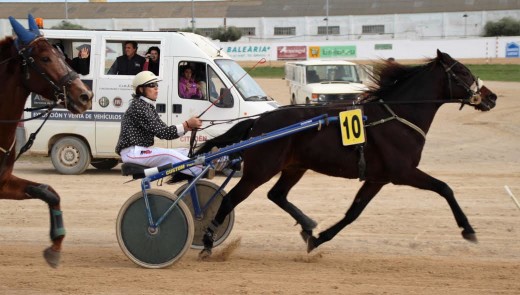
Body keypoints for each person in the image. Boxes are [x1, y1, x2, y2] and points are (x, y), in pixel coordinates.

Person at [115, 71, 204, 177]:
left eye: (157, 85)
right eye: (152, 85)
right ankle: (202, 170)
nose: (156, 88)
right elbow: (163, 133)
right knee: (169, 155)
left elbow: (165, 130)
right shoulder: (139, 107)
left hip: (142, 151)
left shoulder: (147, 106)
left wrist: (187, 126)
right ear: (141, 89)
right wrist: (186, 124)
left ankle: (206, 163)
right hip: (132, 152)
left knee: (184, 151)